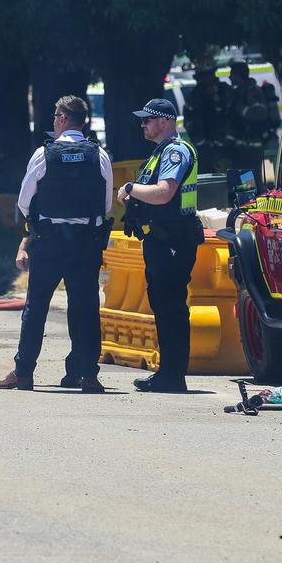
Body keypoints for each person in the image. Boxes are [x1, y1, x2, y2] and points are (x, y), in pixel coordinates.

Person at [0, 95, 113, 393]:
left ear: (61, 118)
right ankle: (87, 375)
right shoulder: (100, 155)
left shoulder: (44, 155)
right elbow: (107, 203)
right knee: (85, 308)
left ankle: (23, 373)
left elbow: (23, 201)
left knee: (36, 307)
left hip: (50, 242)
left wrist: (34, 226)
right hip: (86, 243)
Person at [117, 98, 204, 393]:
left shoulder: (175, 152)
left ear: (164, 121)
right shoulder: (160, 152)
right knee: (164, 305)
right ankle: (168, 372)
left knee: (171, 306)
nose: (143, 125)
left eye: (147, 120)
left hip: (174, 239)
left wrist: (130, 189)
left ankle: (172, 375)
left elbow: (164, 193)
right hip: (162, 238)